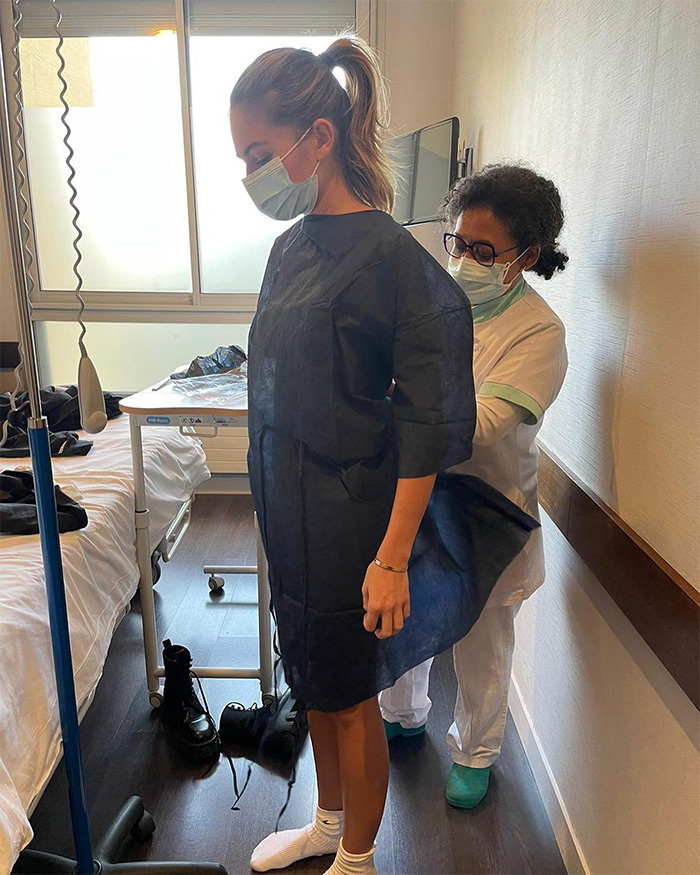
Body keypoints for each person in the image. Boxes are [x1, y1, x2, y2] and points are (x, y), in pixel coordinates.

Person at [228, 40, 535, 875]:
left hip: (355, 514)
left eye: (260, 154)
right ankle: (328, 823)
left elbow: (430, 417)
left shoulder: (392, 260)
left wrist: (394, 556)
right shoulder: (289, 249)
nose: (252, 173)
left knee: (354, 696)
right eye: (243, 159)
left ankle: (358, 860)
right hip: (289, 514)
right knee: (314, 681)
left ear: (318, 137)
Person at [380, 163, 569, 811]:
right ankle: (402, 715)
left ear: (527, 257)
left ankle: (474, 752)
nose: (462, 258)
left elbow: (485, 424)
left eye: (482, 251)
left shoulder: (539, 332)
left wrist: (397, 402)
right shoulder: (432, 301)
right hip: (418, 494)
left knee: (482, 645)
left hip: (488, 510)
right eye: (456, 242)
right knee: (403, 615)